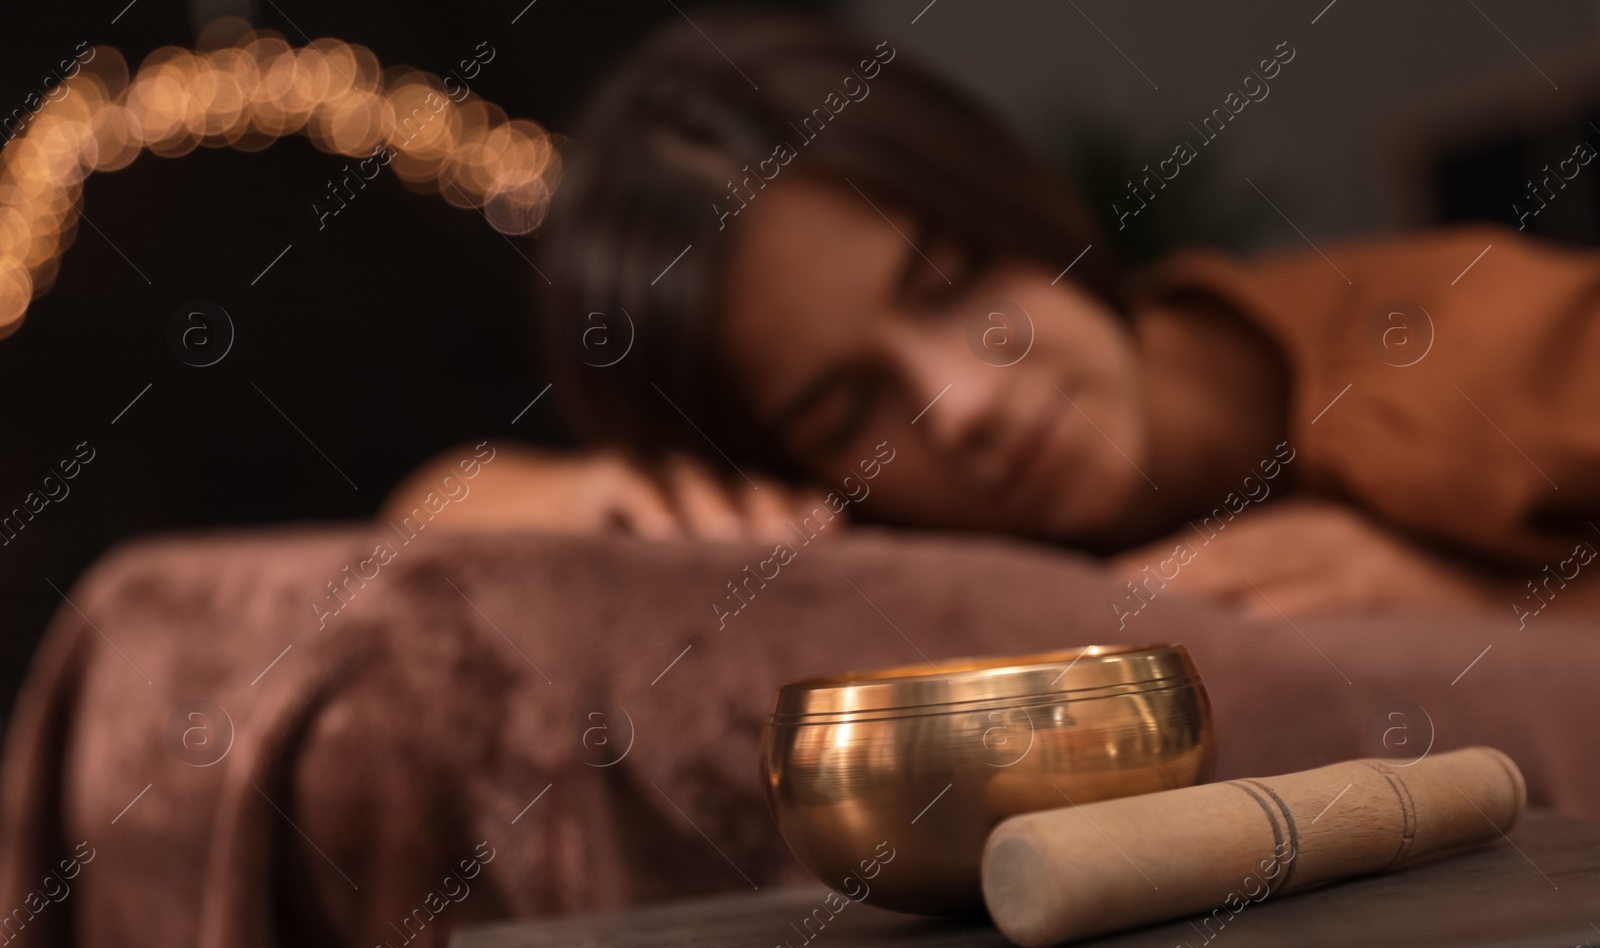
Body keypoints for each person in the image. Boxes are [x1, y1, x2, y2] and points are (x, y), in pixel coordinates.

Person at [385, 13, 1600, 623]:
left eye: (951, 278)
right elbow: (428, 525)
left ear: (1023, 205)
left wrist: (1491, 619)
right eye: (847, 403)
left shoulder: (1466, 338)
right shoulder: (874, 546)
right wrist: (526, 499)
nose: (963, 400)